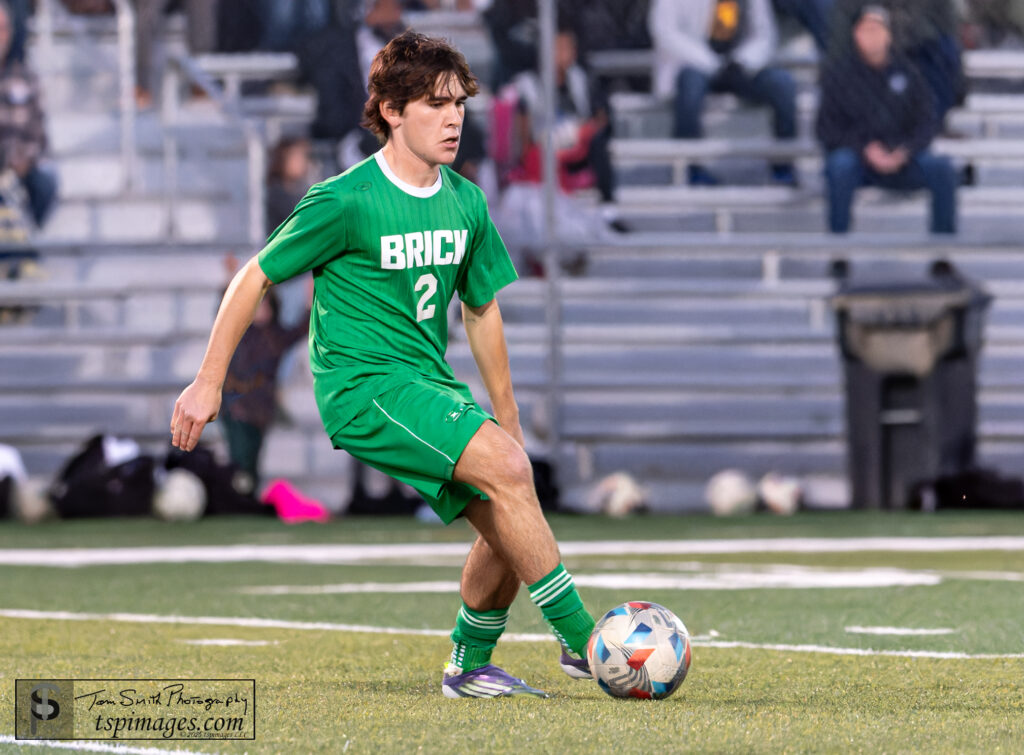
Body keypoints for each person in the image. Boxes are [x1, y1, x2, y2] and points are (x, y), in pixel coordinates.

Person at [170, 30, 596, 698]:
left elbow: (481, 310)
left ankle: (469, 664)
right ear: (392, 111)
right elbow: (254, 276)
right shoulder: (345, 199)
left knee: (511, 508)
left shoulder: (466, 200)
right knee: (511, 475)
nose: (454, 117)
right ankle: (587, 644)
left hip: (425, 382)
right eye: (435, 102)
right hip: (361, 386)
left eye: (459, 103)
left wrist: (506, 416)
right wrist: (207, 380)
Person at [816, 5, 957, 234]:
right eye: (867, 29)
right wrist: (865, 148)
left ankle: (942, 251)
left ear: (889, 35)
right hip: (859, 160)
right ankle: (838, 250)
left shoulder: (910, 73)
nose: (872, 36)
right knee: (838, 165)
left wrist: (905, 150)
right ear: (855, 34)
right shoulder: (838, 77)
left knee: (943, 168)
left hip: (903, 157)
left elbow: (925, 122)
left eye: (878, 29)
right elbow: (826, 129)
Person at [648, 0, 799, 186]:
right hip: (695, 64)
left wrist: (742, 61)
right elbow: (664, 31)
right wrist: (709, 62)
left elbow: (765, 34)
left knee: (782, 84)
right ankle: (691, 168)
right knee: (690, 86)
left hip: (742, 65)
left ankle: (783, 168)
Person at [0, 0, 56, 227]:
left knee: (44, 183)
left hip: (19, 167)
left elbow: (39, 133)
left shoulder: (25, 77)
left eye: (3, 28)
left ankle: (24, 250)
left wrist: (23, 159)